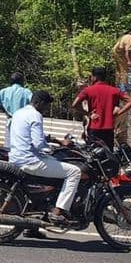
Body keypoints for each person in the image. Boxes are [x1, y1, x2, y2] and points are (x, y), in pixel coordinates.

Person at [10, 91, 81, 225]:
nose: (46, 109)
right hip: (30, 160)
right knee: (74, 172)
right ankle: (58, 211)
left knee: (57, 166)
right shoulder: (36, 115)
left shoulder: (19, 112)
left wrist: (57, 141)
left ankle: (33, 226)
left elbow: (35, 135)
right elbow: (38, 144)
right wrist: (53, 149)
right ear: (40, 103)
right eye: (47, 106)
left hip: (17, 157)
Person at [72, 67, 131, 149]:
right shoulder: (115, 90)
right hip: (109, 129)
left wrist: (88, 114)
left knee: (94, 155)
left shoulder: (88, 90)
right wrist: (118, 114)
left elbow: (74, 104)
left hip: (94, 128)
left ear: (94, 77)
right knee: (108, 155)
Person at [0, 72, 33, 147]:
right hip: (23, 122)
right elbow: (34, 102)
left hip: (10, 121)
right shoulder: (26, 92)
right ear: (22, 81)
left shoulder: (5, 91)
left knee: (9, 147)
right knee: (22, 146)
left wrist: (3, 109)